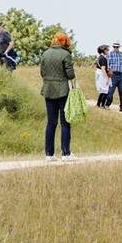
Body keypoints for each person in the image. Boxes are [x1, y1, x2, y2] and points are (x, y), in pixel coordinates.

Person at [39, 32, 77, 160]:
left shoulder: (45, 53)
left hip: (48, 89)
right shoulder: (66, 54)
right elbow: (70, 75)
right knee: (65, 122)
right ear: (65, 42)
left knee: (51, 122)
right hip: (62, 91)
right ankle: (66, 153)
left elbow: (42, 72)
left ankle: (49, 154)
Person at [106, 41, 122, 112]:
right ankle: (107, 105)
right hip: (113, 75)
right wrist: (109, 73)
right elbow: (108, 65)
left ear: (119, 47)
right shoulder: (110, 54)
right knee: (110, 92)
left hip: (120, 75)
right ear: (113, 47)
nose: (116, 48)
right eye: (115, 47)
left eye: (117, 47)